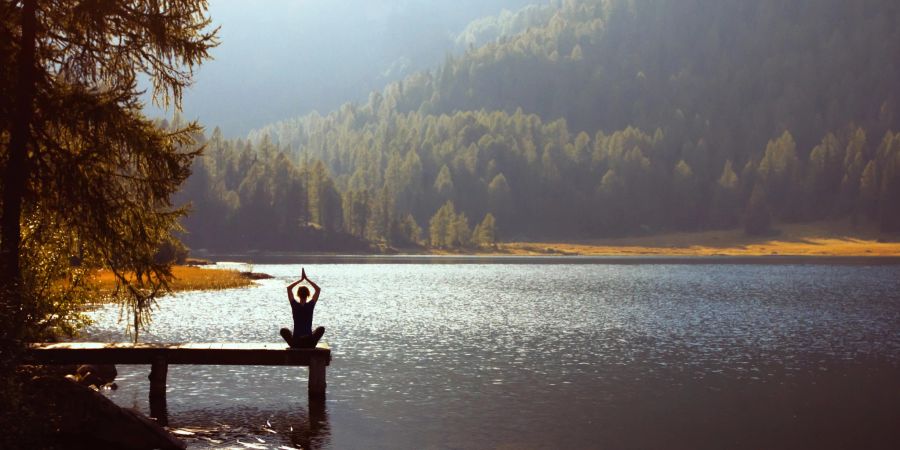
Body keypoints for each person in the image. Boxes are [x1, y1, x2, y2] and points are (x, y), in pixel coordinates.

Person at [280, 268, 326, 348]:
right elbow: (318, 290)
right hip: (309, 342)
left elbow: (289, 288)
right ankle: (309, 343)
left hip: (296, 342)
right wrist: (307, 279)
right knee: (321, 329)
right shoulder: (310, 305)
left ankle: (294, 345)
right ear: (308, 295)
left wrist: (301, 280)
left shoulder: (294, 305)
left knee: (283, 330)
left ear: (297, 295)